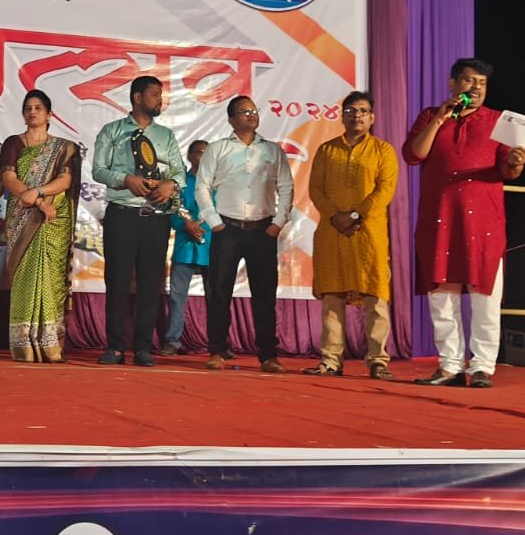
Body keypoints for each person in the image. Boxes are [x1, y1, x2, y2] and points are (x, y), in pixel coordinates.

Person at [404, 58, 525, 389]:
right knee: (442, 298)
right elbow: (414, 155)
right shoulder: (431, 116)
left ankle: (482, 367)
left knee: (485, 298)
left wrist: (516, 161)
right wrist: (440, 119)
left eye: (482, 83)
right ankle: (449, 365)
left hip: (484, 223)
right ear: (453, 84)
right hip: (439, 220)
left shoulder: (498, 121)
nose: (476, 88)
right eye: (470, 81)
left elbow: (507, 170)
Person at [304, 91, 398, 380]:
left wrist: (355, 215)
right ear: (342, 116)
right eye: (351, 111)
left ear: (372, 117)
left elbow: (385, 190)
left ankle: (378, 360)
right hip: (332, 232)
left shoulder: (383, 151)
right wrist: (336, 216)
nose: (357, 115)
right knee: (332, 297)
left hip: (368, 233)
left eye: (363, 111)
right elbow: (316, 189)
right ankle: (331, 360)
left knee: (375, 297)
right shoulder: (326, 150)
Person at [92, 76, 185, 367]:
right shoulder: (112, 131)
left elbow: (180, 172)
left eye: (161, 94)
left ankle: (143, 348)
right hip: (122, 215)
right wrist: (125, 179)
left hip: (156, 218)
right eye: (155, 94)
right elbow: (98, 170)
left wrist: (170, 185)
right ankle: (115, 347)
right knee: (117, 281)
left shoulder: (166, 136)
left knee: (150, 283)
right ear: (137, 97)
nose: (160, 100)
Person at [198, 95, 295, 373]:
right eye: (244, 111)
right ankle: (217, 350)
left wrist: (278, 222)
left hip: (262, 230)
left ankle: (268, 355)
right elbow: (202, 186)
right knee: (219, 292)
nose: (251, 115)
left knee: (264, 295)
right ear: (231, 119)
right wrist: (214, 222)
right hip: (226, 229)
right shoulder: (217, 149)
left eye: (253, 110)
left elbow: (286, 187)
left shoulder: (273, 151)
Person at [0, 90, 81, 363]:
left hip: (53, 219)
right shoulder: (13, 143)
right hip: (23, 216)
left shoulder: (64, 148)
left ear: (49, 115)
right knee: (25, 274)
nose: (32, 112)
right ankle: (23, 344)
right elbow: (9, 178)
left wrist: (39, 193)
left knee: (50, 277)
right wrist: (35, 201)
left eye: (38, 108)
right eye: (28, 108)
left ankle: (50, 344)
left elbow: (65, 181)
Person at [163, 140, 211, 356]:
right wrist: (186, 225)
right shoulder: (180, 183)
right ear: (190, 156)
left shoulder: (219, 182)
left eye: (207, 153)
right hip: (184, 247)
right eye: (199, 152)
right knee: (177, 297)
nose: (203, 156)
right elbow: (172, 212)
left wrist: (206, 227)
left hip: (212, 248)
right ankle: (173, 341)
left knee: (217, 298)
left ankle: (218, 345)